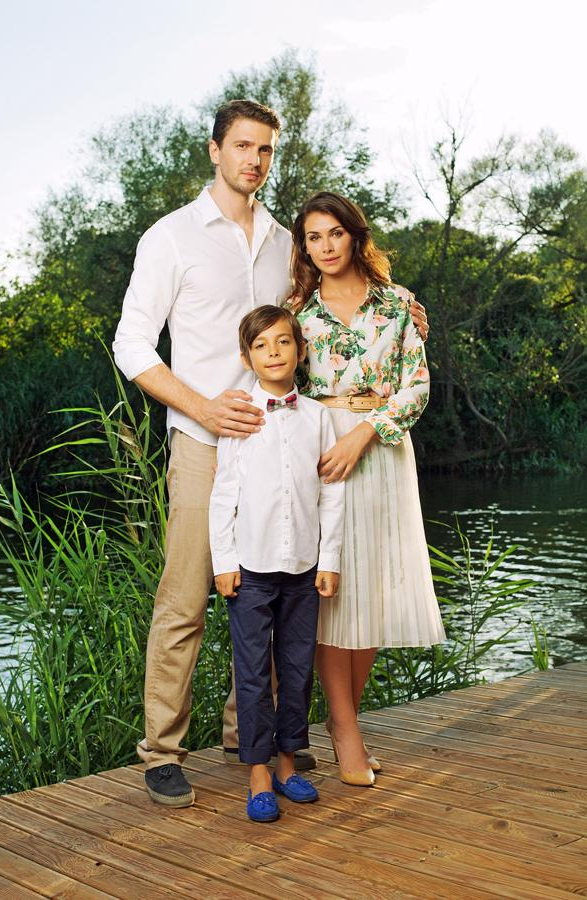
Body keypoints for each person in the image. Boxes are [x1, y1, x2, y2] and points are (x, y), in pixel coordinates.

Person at [113, 97, 429, 808]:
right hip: (206, 440)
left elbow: (326, 313)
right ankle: (162, 751)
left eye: (265, 150)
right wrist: (201, 407)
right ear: (215, 149)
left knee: (278, 588)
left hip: (285, 441)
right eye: (242, 146)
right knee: (187, 597)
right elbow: (130, 343)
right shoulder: (171, 237)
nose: (254, 160)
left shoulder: (287, 241)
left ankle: (246, 736)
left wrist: (400, 308)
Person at [289, 191, 445, 786]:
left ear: (355, 236)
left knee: (372, 588)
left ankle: (343, 722)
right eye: (314, 237)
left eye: (335, 233)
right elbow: (278, 380)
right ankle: (346, 730)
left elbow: (418, 387)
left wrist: (366, 431)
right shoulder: (297, 312)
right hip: (323, 456)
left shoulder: (398, 303)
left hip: (381, 453)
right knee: (334, 590)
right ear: (304, 247)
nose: (326, 246)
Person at [209, 305, 344, 821]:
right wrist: (224, 561)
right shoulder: (240, 418)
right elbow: (224, 496)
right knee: (251, 674)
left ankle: (288, 764)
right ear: (247, 357)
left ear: (300, 351)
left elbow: (331, 493)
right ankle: (258, 773)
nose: (273, 353)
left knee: (296, 669)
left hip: (304, 568)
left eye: (283, 342)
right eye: (261, 345)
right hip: (251, 568)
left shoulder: (318, 418)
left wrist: (329, 560)